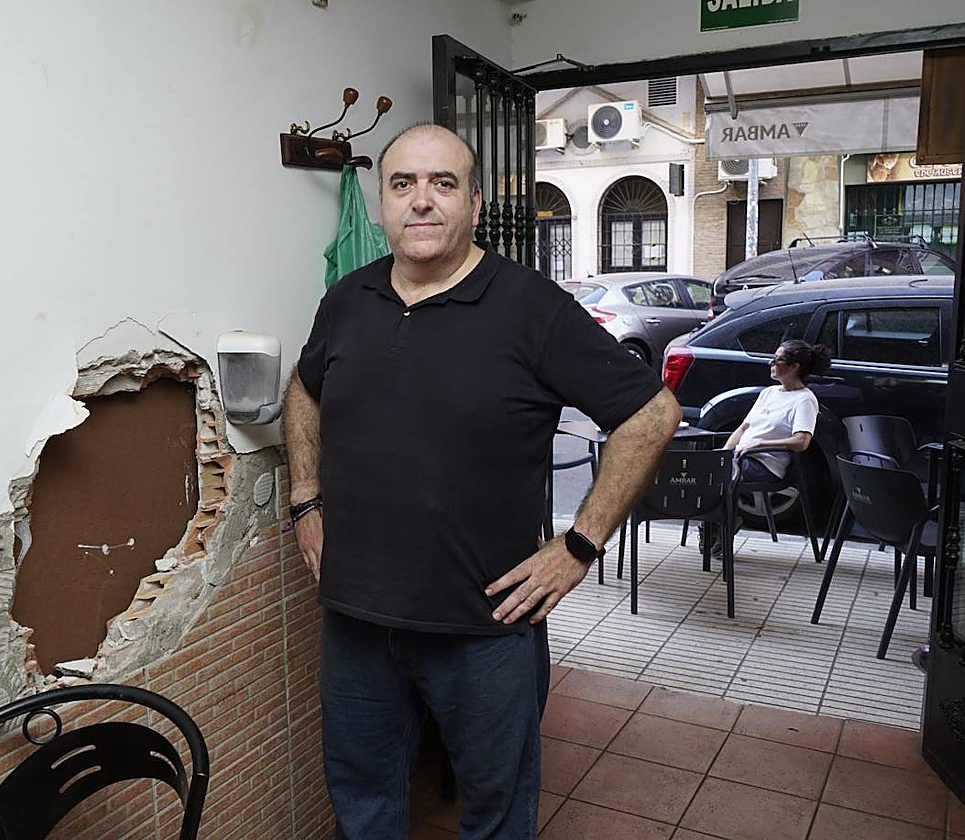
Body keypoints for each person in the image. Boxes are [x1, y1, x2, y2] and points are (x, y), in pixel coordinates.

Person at [282, 122, 680, 840]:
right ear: (382, 204)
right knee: (362, 803)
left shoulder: (532, 308)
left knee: (496, 817)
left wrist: (579, 545)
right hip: (357, 619)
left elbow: (651, 414)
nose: (421, 202)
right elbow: (304, 390)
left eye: (442, 184)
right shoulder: (348, 300)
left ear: (474, 202)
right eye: (403, 184)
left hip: (485, 626)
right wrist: (304, 499)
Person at [703, 339, 833, 555]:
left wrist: (762, 444)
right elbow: (744, 427)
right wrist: (724, 453)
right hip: (740, 458)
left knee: (717, 475)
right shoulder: (769, 393)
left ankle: (717, 526)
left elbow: (802, 442)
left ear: (794, 367)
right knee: (702, 468)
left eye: (777, 359)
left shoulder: (804, 400)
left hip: (766, 466)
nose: (771, 363)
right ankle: (714, 525)